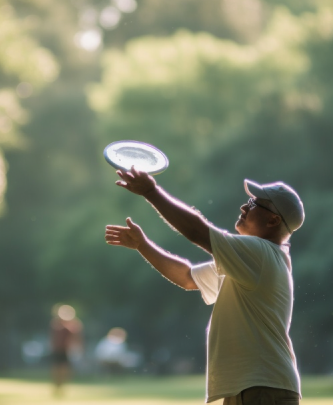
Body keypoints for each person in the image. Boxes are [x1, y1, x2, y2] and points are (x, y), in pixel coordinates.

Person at [105, 166, 304, 405]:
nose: (244, 206)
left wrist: (152, 191)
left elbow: (198, 231)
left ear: (273, 220)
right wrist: (143, 245)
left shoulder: (260, 253)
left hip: (262, 386)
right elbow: (188, 277)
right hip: (254, 385)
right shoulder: (247, 261)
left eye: (253, 203)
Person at [49, 304, 83, 397]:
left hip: (67, 351)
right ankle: (57, 387)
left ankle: (62, 387)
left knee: (65, 370)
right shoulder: (56, 324)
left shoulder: (74, 325)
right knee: (56, 369)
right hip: (57, 350)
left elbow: (76, 338)